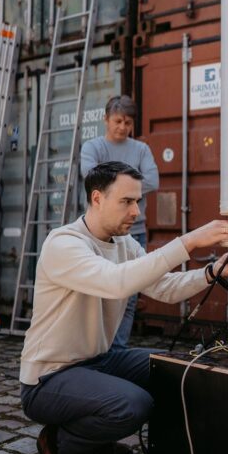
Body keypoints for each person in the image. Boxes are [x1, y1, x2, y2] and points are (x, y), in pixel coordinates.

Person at [20, 161, 228, 454]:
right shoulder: (64, 244)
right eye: (127, 202)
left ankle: (102, 441)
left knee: (174, 369)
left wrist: (212, 272)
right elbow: (116, 282)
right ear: (97, 198)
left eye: (138, 201)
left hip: (98, 361)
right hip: (49, 377)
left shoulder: (124, 245)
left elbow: (165, 288)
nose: (137, 211)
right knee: (132, 405)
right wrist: (189, 241)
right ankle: (58, 443)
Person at [80, 95, 159, 348]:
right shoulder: (92, 147)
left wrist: (113, 187)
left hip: (135, 232)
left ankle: (118, 348)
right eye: (117, 121)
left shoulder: (141, 149)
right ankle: (96, 347)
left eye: (128, 122)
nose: (123, 127)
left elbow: (153, 181)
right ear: (106, 119)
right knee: (98, 293)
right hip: (100, 234)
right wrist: (130, 185)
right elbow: (90, 178)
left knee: (130, 296)